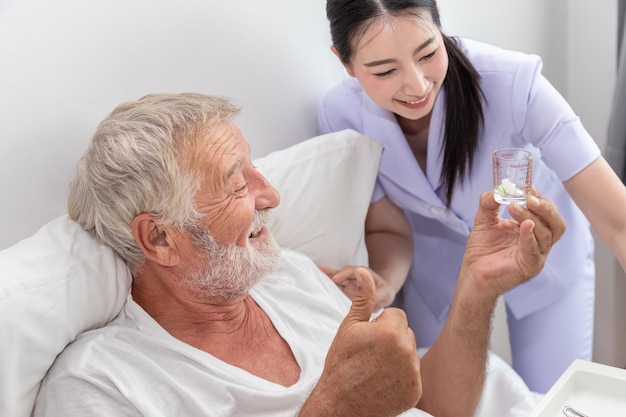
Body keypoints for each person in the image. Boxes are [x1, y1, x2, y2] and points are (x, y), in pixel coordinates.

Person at [33, 92, 565, 417]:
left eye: (255, 169)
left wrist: (477, 286)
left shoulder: (292, 278)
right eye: (235, 183)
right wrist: (339, 409)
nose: (270, 195)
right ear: (160, 240)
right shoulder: (102, 384)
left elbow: (437, 408)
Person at [317, 0, 626, 393]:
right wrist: (386, 283)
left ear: (439, 21)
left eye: (428, 53)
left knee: (554, 396)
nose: (416, 85)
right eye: (385, 71)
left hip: (545, 258)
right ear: (344, 63)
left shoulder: (514, 82)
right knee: (436, 397)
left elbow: (619, 222)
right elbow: (388, 229)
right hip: (437, 269)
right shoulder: (338, 115)